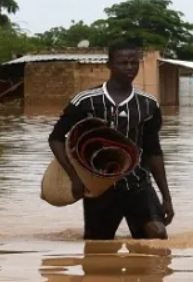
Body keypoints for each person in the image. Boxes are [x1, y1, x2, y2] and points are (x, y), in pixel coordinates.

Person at [48, 41, 174, 241]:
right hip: (98, 189)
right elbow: (55, 139)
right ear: (110, 65)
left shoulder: (148, 104)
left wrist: (166, 197)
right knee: (96, 249)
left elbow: (154, 152)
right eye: (123, 63)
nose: (129, 68)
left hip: (138, 184)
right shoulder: (86, 101)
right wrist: (74, 177)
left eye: (134, 63)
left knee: (157, 235)